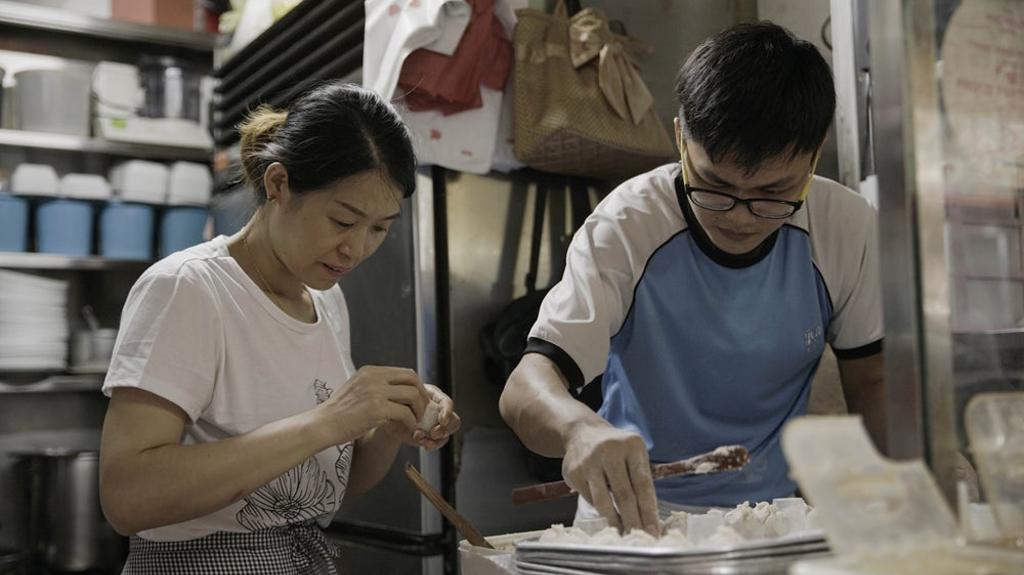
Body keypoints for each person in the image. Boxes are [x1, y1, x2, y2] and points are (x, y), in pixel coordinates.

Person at [499, 21, 884, 536]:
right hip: (631, 520)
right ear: (681, 136)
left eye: (773, 193)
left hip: (768, 522)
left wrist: (898, 488)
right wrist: (577, 429)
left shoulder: (845, 227)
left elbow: (875, 381)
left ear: (814, 155)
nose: (741, 216)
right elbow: (525, 388)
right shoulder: (628, 226)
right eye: (715, 185)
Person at [99, 81, 460, 574]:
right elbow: (127, 496)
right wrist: (327, 422)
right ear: (278, 184)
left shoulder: (327, 302)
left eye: (379, 228)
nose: (356, 249)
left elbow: (325, 485)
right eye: (342, 220)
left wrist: (384, 429)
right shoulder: (190, 289)